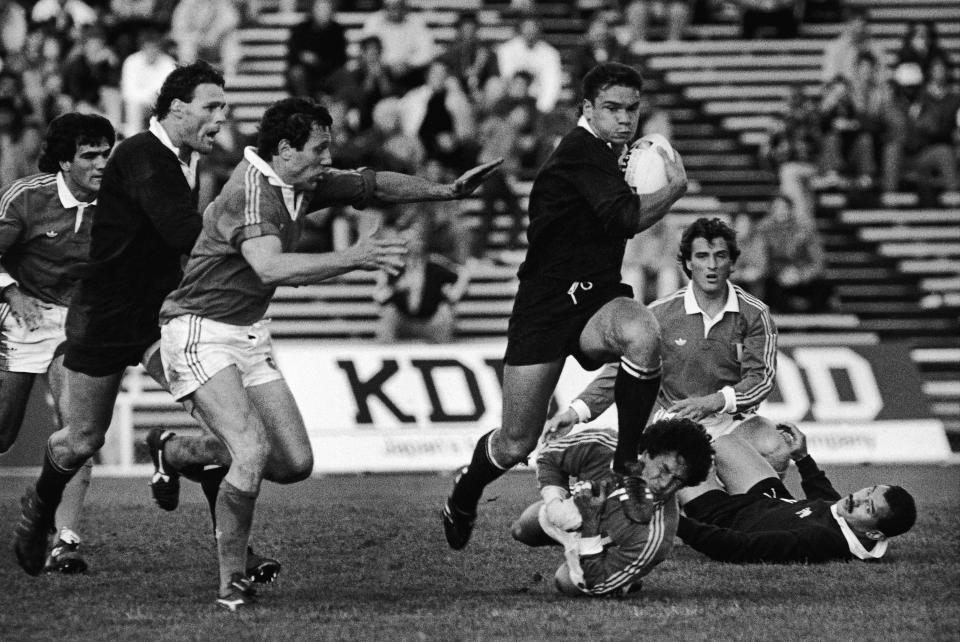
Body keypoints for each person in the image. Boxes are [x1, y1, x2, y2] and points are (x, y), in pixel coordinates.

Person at [152, 97, 501, 610]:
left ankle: (176, 452)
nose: (328, 156)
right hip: (199, 329)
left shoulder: (299, 179)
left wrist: (444, 191)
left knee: (293, 462)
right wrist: (355, 257)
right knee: (249, 451)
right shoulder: (251, 192)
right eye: (319, 148)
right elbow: (269, 268)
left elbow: (373, 183)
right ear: (286, 149)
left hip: (247, 332)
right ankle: (231, 586)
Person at [442, 62, 688, 551]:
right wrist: (674, 189)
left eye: (632, 109)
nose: (625, 119)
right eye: (613, 109)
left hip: (595, 294)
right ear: (587, 110)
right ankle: (464, 495)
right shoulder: (580, 151)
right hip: (546, 303)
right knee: (516, 442)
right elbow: (624, 217)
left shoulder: (611, 153)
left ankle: (626, 466)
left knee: (643, 333)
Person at [11, 61, 236, 578]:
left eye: (224, 106)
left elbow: (179, 241)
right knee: (82, 438)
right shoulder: (139, 157)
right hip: (102, 317)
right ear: (178, 108)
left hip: (160, 318)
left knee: (231, 430)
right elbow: (184, 233)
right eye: (213, 107)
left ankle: (228, 541)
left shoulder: (186, 156)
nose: (223, 118)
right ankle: (41, 508)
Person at [1, 113, 115, 574]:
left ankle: (64, 540)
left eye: (107, 153)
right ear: (65, 161)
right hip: (21, 317)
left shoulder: (118, 205)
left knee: (80, 429)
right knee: (3, 432)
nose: (102, 163)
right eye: (90, 155)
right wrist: (12, 292)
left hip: (78, 324)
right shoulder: (28, 197)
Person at [545, 217, 777, 440]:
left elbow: (761, 379)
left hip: (732, 418)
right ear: (687, 263)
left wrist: (715, 401)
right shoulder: (658, 314)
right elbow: (622, 370)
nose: (712, 266)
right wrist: (576, 412)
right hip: (674, 419)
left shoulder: (755, 314)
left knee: (773, 447)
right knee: (688, 464)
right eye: (702, 256)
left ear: (733, 263)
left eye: (720, 256)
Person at [511, 419, 713, 596]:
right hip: (574, 509)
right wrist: (555, 503)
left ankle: (624, 580)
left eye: (677, 481)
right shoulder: (606, 446)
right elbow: (549, 455)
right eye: (664, 469)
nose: (664, 484)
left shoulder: (657, 536)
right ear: (648, 452)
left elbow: (596, 582)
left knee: (565, 583)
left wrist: (590, 524)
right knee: (520, 530)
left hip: (602, 547)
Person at [677, 423, 917, 563]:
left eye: (869, 507)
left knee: (679, 456)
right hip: (770, 500)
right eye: (870, 491)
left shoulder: (820, 541)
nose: (858, 497)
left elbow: (740, 547)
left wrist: (675, 523)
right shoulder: (849, 521)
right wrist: (803, 458)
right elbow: (829, 501)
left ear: (874, 533)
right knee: (726, 443)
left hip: (730, 518)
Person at [495, 18, 563, 115]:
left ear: (539, 30)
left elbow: (552, 84)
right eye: (527, 27)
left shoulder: (551, 54)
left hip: (537, 102)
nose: (530, 31)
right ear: (520, 29)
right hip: (511, 99)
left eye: (533, 28)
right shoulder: (506, 49)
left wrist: (542, 108)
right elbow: (506, 77)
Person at [285, 0, 349, 101]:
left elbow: (340, 60)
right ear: (313, 10)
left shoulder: (337, 31)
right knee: (297, 73)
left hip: (329, 74)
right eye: (320, 9)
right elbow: (293, 57)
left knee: (343, 75)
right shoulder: (300, 30)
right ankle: (305, 106)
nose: (324, 12)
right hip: (307, 76)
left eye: (327, 9)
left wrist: (317, 61)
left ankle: (336, 108)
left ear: (332, 11)